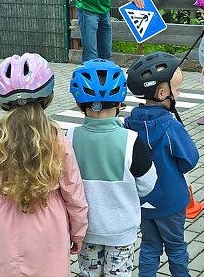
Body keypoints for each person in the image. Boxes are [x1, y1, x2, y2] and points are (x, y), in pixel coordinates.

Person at [0, 53, 89, 276]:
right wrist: (78, 232)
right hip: (48, 222)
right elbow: (74, 193)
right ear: (47, 96)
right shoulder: (57, 140)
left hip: (2, 222)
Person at [68, 59, 158, 277]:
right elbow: (148, 184)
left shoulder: (70, 137)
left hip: (86, 229)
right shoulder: (131, 140)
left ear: (80, 105)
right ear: (120, 104)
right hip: (121, 231)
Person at [124, 52, 199, 277]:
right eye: (176, 90)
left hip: (143, 203)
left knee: (149, 246)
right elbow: (190, 160)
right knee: (176, 247)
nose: (179, 93)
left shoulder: (129, 124)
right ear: (162, 93)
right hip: (171, 202)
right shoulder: (170, 126)